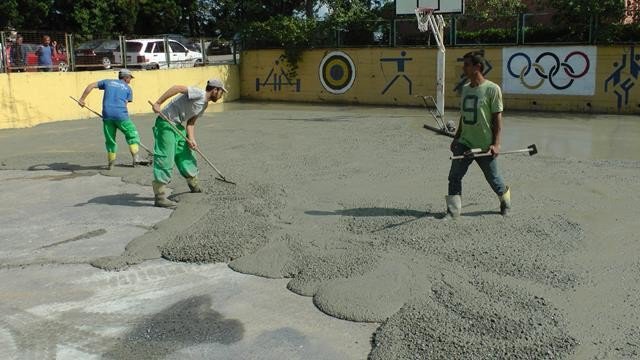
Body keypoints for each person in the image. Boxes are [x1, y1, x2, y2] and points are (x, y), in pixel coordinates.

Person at [446, 51, 510, 219]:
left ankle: (505, 200)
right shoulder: (466, 89)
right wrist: (456, 138)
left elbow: (497, 118)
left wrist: (496, 144)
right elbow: (464, 116)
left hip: (484, 145)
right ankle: (453, 211)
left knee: (494, 180)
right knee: (454, 176)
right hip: (465, 142)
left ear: (478, 67)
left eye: (467, 64)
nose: (463, 67)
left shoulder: (492, 89)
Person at [149, 79, 227, 208]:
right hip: (165, 123)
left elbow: (191, 122)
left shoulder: (204, 104)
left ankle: (193, 184)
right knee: (166, 157)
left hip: (177, 125)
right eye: (221, 92)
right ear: (215, 90)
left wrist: (192, 139)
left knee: (186, 154)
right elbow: (177, 87)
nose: (221, 95)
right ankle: (160, 197)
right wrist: (158, 103)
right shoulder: (199, 94)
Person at [77, 69, 144, 170]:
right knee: (132, 134)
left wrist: (82, 99)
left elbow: (90, 85)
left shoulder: (107, 82)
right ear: (126, 77)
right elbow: (125, 104)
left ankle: (111, 163)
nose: (130, 80)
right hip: (121, 115)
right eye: (130, 78)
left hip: (107, 115)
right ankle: (136, 158)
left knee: (110, 140)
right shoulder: (128, 88)